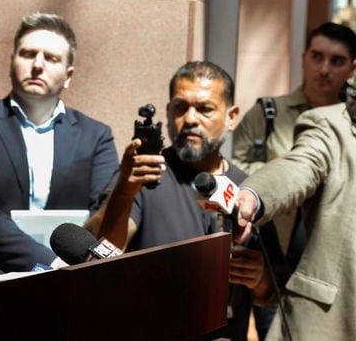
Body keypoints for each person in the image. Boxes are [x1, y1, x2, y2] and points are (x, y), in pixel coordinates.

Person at [88, 61, 275, 340]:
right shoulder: (145, 176)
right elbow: (101, 254)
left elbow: (272, 290)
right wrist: (125, 192)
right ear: (167, 112)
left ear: (232, 116)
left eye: (204, 109)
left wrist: (260, 279)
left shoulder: (249, 190)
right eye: (180, 107)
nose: (189, 119)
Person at [0, 12, 118, 271]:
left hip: (72, 284)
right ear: (11, 61)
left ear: (68, 75)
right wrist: (49, 263)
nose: (38, 65)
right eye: (28, 54)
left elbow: (103, 210)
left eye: (51, 58)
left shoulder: (97, 136)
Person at [232, 22, 356, 338]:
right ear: (303, 58)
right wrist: (252, 196)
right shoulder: (329, 125)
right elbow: (297, 168)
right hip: (281, 260)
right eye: (317, 57)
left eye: (337, 61)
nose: (324, 69)